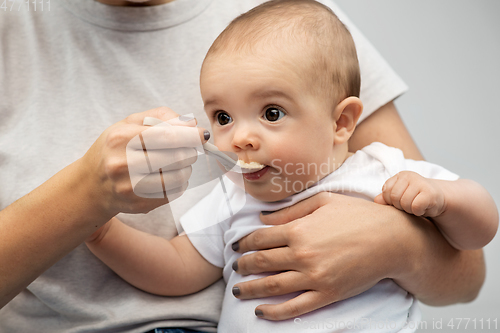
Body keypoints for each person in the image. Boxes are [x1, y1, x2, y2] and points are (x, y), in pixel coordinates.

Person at [0, 0, 491, 332]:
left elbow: (473, 244)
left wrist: (437, 206)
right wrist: (96, 226)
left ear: (342, 121)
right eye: (222, 118)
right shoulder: (234, 193)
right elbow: (177, 269)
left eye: (271, 114)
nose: (240, 136)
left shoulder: (381, 170)